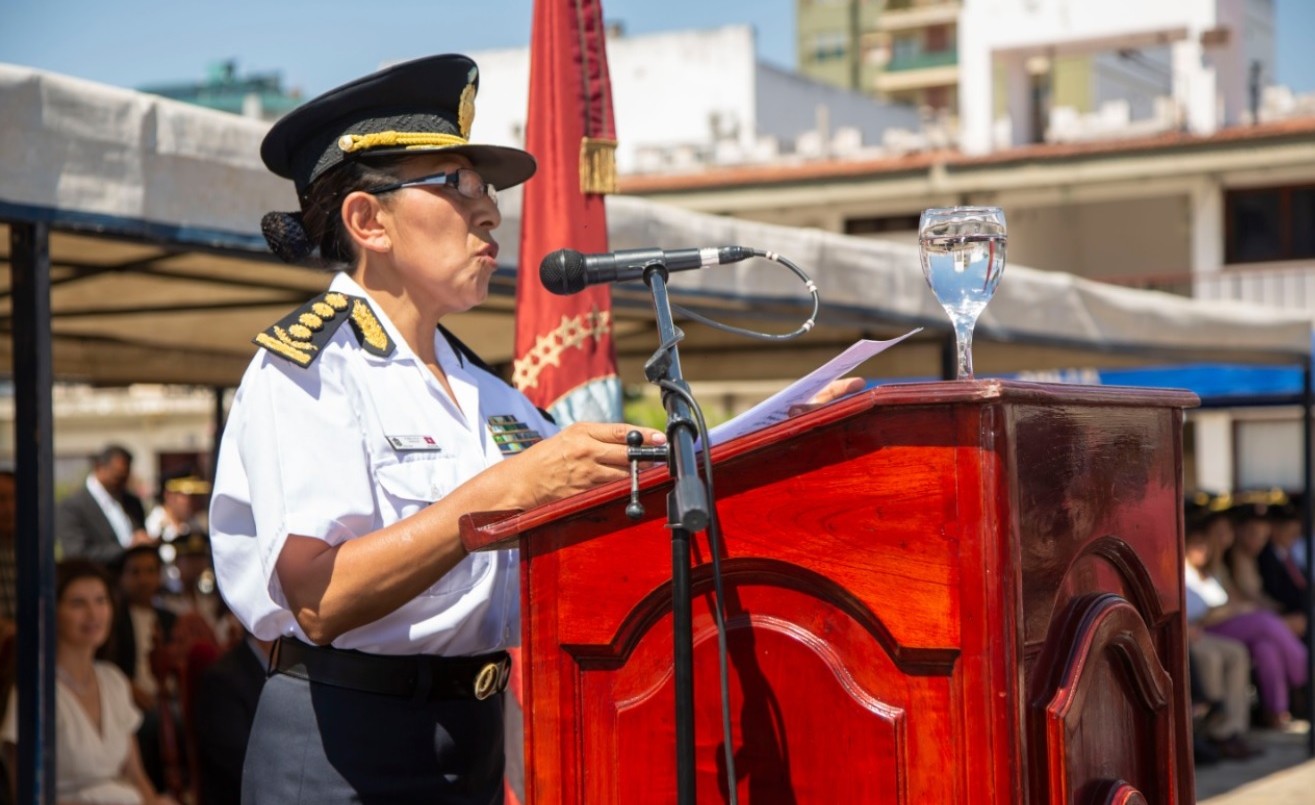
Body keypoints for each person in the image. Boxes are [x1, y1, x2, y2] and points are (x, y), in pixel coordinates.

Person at [209, 53, 859, 803]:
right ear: (367, 220)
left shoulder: (487, 392)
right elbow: (319, 598)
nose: (489, 212)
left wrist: (780, 436)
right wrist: (502, 491)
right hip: (342, 747)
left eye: (486, 191)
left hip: (475, 736)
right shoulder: (309, 369)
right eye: (456, 186)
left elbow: (615, 497)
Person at [0, 560, 177, 804]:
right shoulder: (34, 691)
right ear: (52, 612)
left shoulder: (113, 680)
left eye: (101, 600)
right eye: (77, 603)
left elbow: (137, 777)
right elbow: (24, 793)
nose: (93, 614)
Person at [1185, 518, 1310, 732]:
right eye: (1197, 544)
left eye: (1204, 544)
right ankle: (1304, 670)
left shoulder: (1212, 570)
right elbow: (1204, 614)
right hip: (1206, 628)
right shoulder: (1183, 573)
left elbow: (1236, 600)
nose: (1203, 549)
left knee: (1266, 648)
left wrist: (1238, 608)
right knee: (1265, 622)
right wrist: (1234, 610)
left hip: (1227, 624)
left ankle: (1268, 715)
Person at [109, 545, 177, 792]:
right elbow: (109, 664)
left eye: (150, 571)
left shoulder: (169, 618)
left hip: (169, 698)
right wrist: (131, 689)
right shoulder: (113, 619)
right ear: (122, 577)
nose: (143, 580)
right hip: (131, 701)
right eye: (135, 572)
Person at [56, 445, 149, 565]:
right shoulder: (73, 507)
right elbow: (76, 554)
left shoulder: (132, 502)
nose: (122, 482)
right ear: (99, 467)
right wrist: (127, 548)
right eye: (117, 476)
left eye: (125, 477)